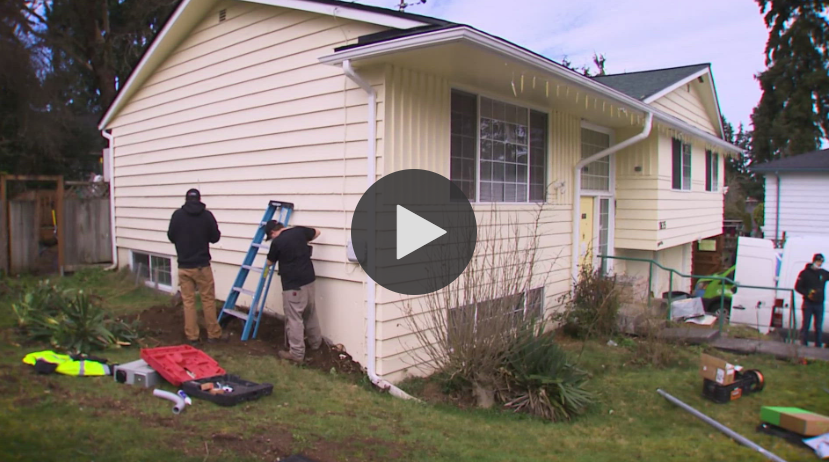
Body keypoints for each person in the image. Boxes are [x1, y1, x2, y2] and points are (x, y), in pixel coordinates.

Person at [167, 188, 224, 345]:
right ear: (199, 199)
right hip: (202, 266)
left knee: (188, 302)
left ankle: (192, 336)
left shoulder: (177, 215)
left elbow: (171, 236)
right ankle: (213, 334)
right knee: (208, 300)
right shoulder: (206, 216)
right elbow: (215, 238)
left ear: (186, 199)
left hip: (184, 265)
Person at [264, 219, 322, 363]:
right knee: (310, 312)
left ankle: (296, 354)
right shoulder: (299, 231)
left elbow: (270, 262)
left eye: (270, 236)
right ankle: (316, 344)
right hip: (309, 280)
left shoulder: (277, 243)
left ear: (272, 232)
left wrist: (265, 269)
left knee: (294, 318)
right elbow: (317, 232)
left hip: (293, 285)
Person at [794, 253, 829, 348]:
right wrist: (807, 293)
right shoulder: (805, 273)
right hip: (808, 303)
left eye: (821, 262)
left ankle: (818, 346)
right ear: (814, 261)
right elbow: (797, 287)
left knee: (818, 326)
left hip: (819, 304)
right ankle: (803, 345)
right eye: (818, 261)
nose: (819, 263)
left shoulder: (823, 273)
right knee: (806, 324)